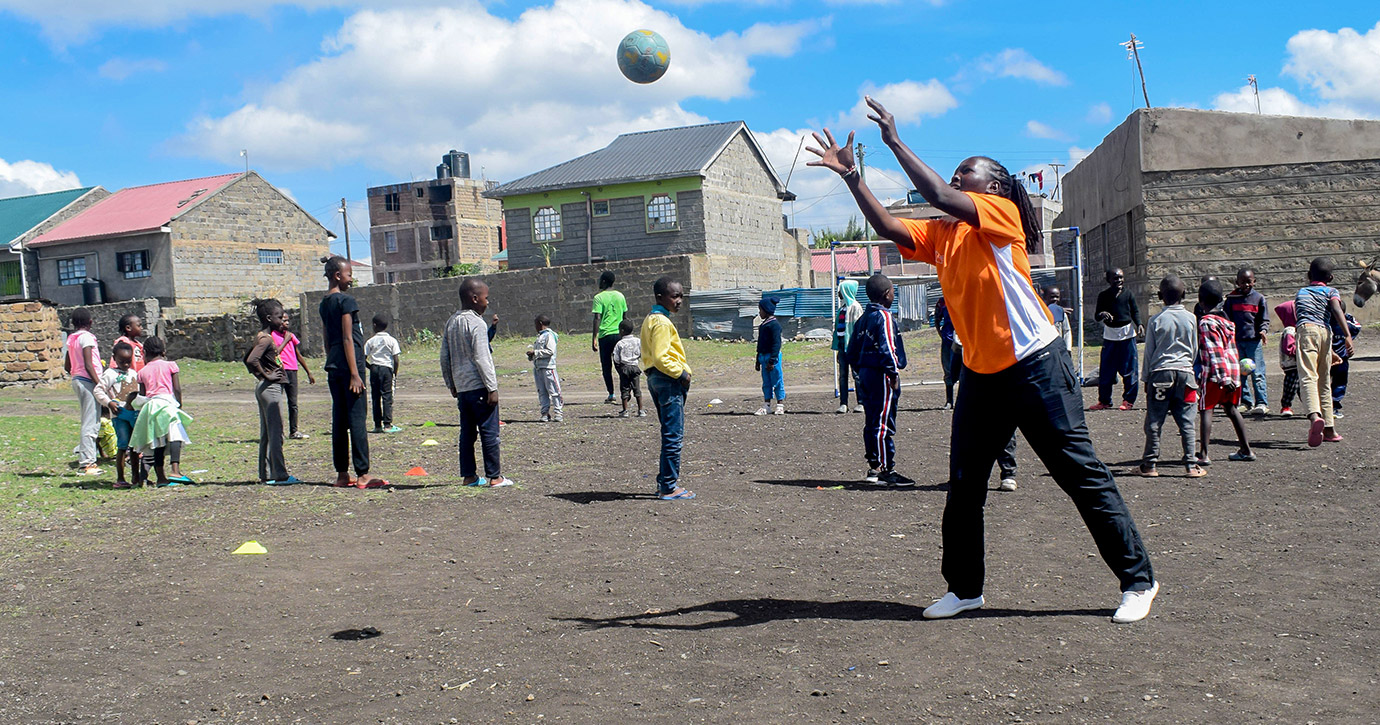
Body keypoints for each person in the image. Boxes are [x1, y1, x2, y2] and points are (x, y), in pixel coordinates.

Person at [807, 98, 1157, 623]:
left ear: (992, 185)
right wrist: (854, 176)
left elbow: (939, 194)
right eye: (955, 172)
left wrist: (895, 142)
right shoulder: (946, 234)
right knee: (965, 484)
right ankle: (965, 588)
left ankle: (1138, 580)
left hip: (1036, 362)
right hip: (982, 373)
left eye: (964, 172)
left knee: (1079, 474)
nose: (954, 177)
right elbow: (890, 227)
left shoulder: (1003, 215)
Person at [318, 255, 385, 489]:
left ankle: (342, 474)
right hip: (349, 367)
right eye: (349, 275)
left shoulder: (324, 303)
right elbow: (348, 337)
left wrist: (332, 360)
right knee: (357, 418)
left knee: (339, 419)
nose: (351, 279)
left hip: (334, 365)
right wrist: (355, 374)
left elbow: (327, 339)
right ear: (338, 275)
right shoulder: (345, 301)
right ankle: (363, 474)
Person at [846, 274, 913, 487]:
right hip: (881, 374)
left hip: (866, 374)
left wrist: (859, 372)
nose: (894, 294)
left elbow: (852, 351)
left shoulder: (863, 319)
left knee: (872, 420)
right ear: (886, 295)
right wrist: (892, 373)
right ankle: (886, 469)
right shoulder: (883, 317)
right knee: (883, 421)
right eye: (893, 291)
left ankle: (874, 467)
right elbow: (887, 347)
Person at [442, 278, 511, 487]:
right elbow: (482, 357)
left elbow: (444, 356)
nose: (487, 302)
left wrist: (451, 383)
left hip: (463, 389)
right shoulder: (477, 323)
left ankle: (469, 476)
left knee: (467, 433)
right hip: (480, 386)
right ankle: (495, 477)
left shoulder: (451, 322)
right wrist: (492, 387)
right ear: (474, 298)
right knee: (490, 432)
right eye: (485, 298)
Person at [1139, 276, 1204, 478]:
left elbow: (1149, 351)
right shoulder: (1192, 319)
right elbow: (1194, 349)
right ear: (1184, 295)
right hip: (1185, 374)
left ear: (1159, 296)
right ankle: (1191, 466)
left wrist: (1146, 379)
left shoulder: (1155, 320)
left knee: (1155, 420)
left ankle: (1150, 465)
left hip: (1160, 373)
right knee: (1187, 421)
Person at [641, 277, 695, 500]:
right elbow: (662, 357)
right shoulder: (662, 323)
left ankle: (665, 482)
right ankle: (669, 487)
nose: (679, 300)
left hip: (655, 378)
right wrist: (682, 374)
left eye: (681, 295)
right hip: (667, 379)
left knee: (669, 432)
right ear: (660, 297)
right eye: (675, 296)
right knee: (674, 435)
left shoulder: (651, 319)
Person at [950, 327, 1020, 492]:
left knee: (1004, 424)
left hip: (1002, 372)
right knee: (972, 427)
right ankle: (969, 474)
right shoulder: (967, 318)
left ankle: (1008, 473)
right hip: (975, 375)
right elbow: (958, 348)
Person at [1294, 257, 1353, 447]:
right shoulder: (1331, 291)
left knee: (1308, 377)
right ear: (1331, 277)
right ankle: (1330, 428)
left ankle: (1314, 417)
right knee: (1324, 381)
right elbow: (1336, 309)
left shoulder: (1301, 292)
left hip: (1306, 330)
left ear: (1309, 275)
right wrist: (1347, 335)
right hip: (1325, 333)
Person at [1196, 279, 1254, 465]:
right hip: (1233, 373)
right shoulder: (1227, 323)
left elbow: (1215, 352)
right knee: (1231, 409)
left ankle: (1203, 454)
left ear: (1201, 302)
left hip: (1216, 375)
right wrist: (1231, 377)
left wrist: (1222, 377)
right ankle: (1246, 449)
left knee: (1206, 409)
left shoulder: (1206, 323)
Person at [245, 298, 301, 486]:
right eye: (279, 317)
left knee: (267, 434)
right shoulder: (266, 338)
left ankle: (266, 473)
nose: (282, 319)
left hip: (265, 388)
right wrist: (267, 376)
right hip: (271, 389)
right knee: (276, 433)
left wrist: (262, 376)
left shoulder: (261, 336)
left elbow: (247, 359)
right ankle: (280, 475)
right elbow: (252, 360)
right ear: (269, 318)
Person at [130, 336, 193, 486]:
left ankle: (161, 478)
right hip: (167, 404)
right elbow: (176, 389)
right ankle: (175, 471)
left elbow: (143, 395)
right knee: (175, 435)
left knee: (158, 441)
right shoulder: (171, 365)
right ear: (164, 351)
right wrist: (179, 404)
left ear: (145, 352)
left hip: (151, 406)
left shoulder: (142, 372)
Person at [1090, 268, 1142, 411]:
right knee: (1106, 370)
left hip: (1127, 335)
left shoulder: (1128, 294)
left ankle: (1128, 400)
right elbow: (1097, 315)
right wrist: (1102, 314)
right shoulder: (1103, 296)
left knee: (1129, 369)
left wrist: (1140, 324)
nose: (1119, 280)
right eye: (1115, 278)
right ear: (1109, 280)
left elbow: (1135, 311)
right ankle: (1104, 401)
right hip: (1110, 336)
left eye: (1121, 277)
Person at [95, 342, 142, 488]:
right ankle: (121, 478)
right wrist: (109, 403)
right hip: (119, 415)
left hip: (134, 414)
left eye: (129, 362)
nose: (126, 365)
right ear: (114, 358)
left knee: (135, 447)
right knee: (123, 445)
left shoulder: (134, 374)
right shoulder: (110, 374)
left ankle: (136, 476)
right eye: (122, 362)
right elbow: (98, 390)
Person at [64, 307, 103, 476]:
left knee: (89, 420)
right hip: (87, 380)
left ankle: (88, 458)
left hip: (77, 380)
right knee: (91, 422)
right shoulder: (87, 337)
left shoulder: (72, 338)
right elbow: (89, 364)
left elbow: (67, 365)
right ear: (91, 322)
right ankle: (87, 464)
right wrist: (100, 385)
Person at [1226, 268, 1270, 415]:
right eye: (1242, 282)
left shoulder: (1259, 299)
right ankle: (1246, 401)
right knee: (1240, 373)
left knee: (1257, 373)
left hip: (1253, 342)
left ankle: (1262, 403)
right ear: (1237, 282)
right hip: (1237, 342)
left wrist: (1263, 331)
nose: (1246, 285)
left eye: (1249, 282)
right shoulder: (1231, 299)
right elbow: (1227, 319)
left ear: (1254, 281)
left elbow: (1264, 319)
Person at [271, 311, 315, 439]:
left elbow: (298, 355)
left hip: (292, 371)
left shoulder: (291, 335)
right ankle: (278, 432)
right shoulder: (273, 335)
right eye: (284, 320)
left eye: (288, 320)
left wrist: (308, 372)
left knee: (293, 403)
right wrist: (285, 340)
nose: (287, 323)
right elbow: (276, 353)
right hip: (281, 371)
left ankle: (294, 431)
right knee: (277, 402)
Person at [591, 271, 628, 404]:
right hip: (619, 335)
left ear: (604, 281)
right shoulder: (620, 296)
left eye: (600, 280)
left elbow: (597, 319)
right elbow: (625, 317)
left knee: (606, 366)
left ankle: (611, 394)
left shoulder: (599, 298)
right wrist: (626, 335)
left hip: (605, 335)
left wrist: (594, 338)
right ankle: (626, 391)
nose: (599, 283)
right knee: (621, 364)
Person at [364, 314, 403, 434]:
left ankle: (377, 425)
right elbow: (396, 359)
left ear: (374, 326)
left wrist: (371, 367)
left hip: (375, 369)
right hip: (387, 369)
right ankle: (387, 425)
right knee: (387, 396)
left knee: (376, 397)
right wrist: (394, 373)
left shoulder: (371, 341)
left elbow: (362, 358)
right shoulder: (391, 340)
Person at [833, 280, 865, 413]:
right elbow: (838, 331)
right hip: (842, 348)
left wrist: (857, 347)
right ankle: (843, 403)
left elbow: (858, 329)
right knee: (842, 375)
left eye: (840, 290)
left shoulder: (856, 308)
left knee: (857, 375)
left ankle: (861, 402)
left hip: (853, 348)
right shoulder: (842, 309)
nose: (839, 293)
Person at [526, 314, 564, 423]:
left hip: (548, 368)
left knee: (554, 391)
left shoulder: (549, 335)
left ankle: (558, 412)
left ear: (540, 324)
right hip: (538, 368)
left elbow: (550, 351)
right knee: (542, 391)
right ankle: (545, 413)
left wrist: (536, 352)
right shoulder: (540, 336)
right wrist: (532, 356)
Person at [1329, 304, 1361, 420]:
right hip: (1342, 358)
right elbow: (1357, 326)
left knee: (1324, 383)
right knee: (1339, 383)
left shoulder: (1325, 322)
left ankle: (1322, 406)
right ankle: (1334, 406)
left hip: (1327, 358)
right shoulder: (1347, 323)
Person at [755, 297, 786, 416]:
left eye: (761, 310)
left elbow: (776, 344)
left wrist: (772, 360)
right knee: (766, 382)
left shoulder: (774, 325)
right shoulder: (763, 325)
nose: (759, 313)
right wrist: (758, 359)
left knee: (777, 380)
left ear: (766, 310)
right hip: (763, 357)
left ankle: (780, 405)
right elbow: (760, 343)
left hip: (772, 358)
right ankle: (767, 405)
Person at [612, 319, 645, 418]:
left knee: (625, 389)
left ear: (622, 331)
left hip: (625, 368)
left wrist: (620, 366)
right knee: (637, 389)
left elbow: (616, 358)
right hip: (635, 367)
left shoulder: (620, 343)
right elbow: (642, 353)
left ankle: (625, 410)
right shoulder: (638, 341)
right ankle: (641, 410)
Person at [1275, 301, 1299, 416]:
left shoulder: (1296, 329)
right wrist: (1300, 352)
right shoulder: (1290, 330)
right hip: (1292, 365)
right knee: (1291, 386)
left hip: (1297, 364)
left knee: (1301, 387)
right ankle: (1286, 406)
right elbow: (1289, 348)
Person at [932, 296, 957, 410]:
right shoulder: (942, 302)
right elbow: (937, 319)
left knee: (964, 371)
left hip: (963, 342)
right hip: (947, 341)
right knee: (948, 370)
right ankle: (949, 401)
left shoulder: (965, 297)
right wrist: (941, 334)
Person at [1042, 285, 1073, 351]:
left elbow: (1066, 331)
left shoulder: (1061, 313)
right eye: (1052, 297)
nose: (1055, 299)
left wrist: (1068, 349)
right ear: (1044, 297)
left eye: (1057, 297)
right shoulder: (1040, 313)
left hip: (1059, 348)